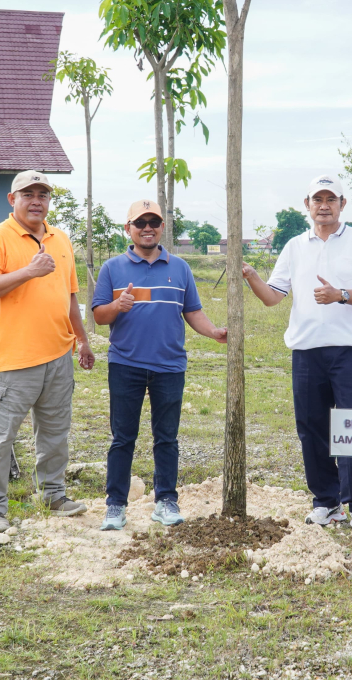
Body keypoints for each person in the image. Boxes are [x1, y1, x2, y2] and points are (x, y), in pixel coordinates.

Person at [242, 175, 352, 537]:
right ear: (307, 204)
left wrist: (341, 295)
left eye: (330, 199)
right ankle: (325, 501)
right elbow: (274, 296)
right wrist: (253, 277)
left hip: (349, 348)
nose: (324, 205)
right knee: (311, 427)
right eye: (317, 199)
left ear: (342, 203)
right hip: (306, 350)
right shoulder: (294, 246)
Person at [0, 171, 95, 534]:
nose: (36, 200)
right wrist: (28, 271)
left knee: (55, 433)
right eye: (28, 193)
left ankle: (53, 495)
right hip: (10, 360)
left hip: (57, 356)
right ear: (13, 199)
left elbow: (69, 296)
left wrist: (81, 339)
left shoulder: (61, 239)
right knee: (0, 438)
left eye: (43, 193)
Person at [91, 199, 227, 531]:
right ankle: (115, 505)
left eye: (154, 222)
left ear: (162, 228)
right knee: (123, 437)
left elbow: (192, 310)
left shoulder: (179, 268)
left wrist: (214, 332)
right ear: (129, 229)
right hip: (125, 365)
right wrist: (117, 306)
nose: (148, 227)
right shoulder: (112, 268)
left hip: (170, 366)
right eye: (140, 222)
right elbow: (97, 314)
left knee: (166, 438)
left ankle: (165, 500)